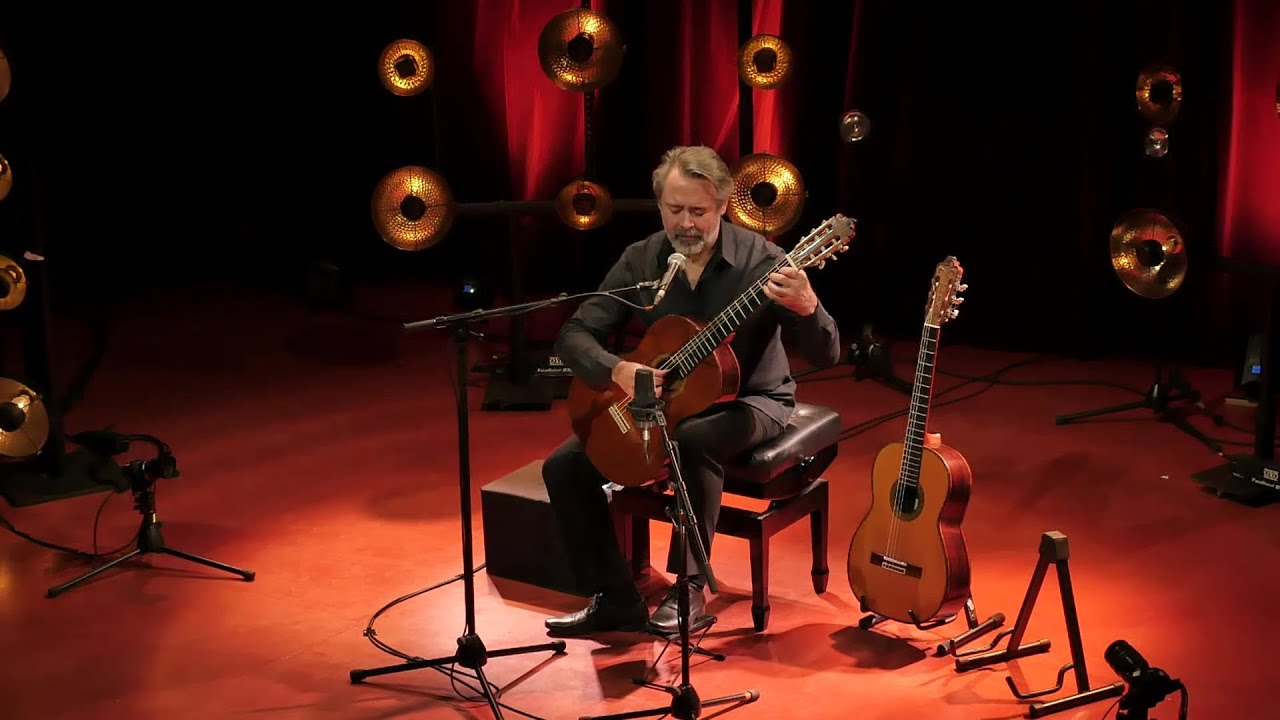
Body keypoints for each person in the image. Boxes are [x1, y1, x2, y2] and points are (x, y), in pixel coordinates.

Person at [541, 145, 844, 637]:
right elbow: (574, 334)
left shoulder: (762, 262)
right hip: (658, 400)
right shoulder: (641, 259)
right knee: (564, 467)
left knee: (694, 439)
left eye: (699, 211)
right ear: (659, 205)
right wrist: (617, 370)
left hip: (754, 401)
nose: (686, 223)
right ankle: (614, 597)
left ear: (723, 205)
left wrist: (810, 306)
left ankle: (690, 589)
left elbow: (829, 355)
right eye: (674, 210)